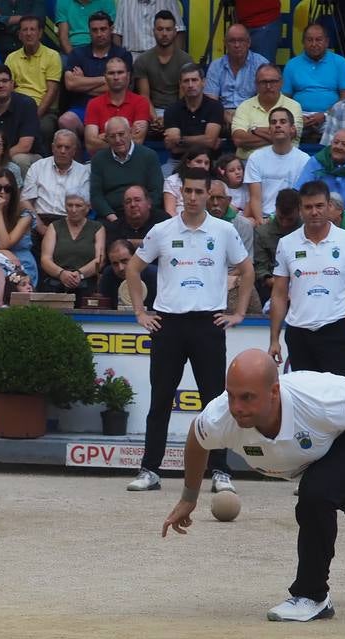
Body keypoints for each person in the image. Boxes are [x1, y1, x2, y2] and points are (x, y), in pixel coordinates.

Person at [159, 348, 345, 622]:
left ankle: (313, 595)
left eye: (247, 397)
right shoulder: (219, 416)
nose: (237, 407)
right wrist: (189, 497)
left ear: (274, 392)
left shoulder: (318, 399)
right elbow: (197, 442)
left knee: (316, 494)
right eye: (232, 396)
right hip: (319, 452)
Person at [124, 168, 252, 494]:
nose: (193, 197)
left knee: (214, 403)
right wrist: (140, 311)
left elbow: (247, 269)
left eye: (199, 191)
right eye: (188, 191)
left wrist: (238, 312)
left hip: (208, 324)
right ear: (181, 192)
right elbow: (133, 268)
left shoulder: (223, 231)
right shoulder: (162, 230)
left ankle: (220, 471)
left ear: (210, 194)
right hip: (168, 324)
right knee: (160, 400)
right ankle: (150, 469)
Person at [268, 179, 345, 377]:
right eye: (308, 207)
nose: (314, 212)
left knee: (342, 399)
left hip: (336, 329)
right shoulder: (286, 243)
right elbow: (279, 294)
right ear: (300, 209)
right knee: (306, 402)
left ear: (329, 206)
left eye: (319, 206)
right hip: (299, 332)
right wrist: (274, 339)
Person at [59, 12, 133, 133]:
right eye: (95, 30)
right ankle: (76, 151)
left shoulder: (123, 54)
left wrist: (82, 83)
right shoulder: (77, 54)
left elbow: (121, 86)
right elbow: (71, 84)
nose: (99, 34)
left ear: (111, 29)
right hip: (83, 107)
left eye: (103, 29)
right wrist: (105, 79)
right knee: (65, 120)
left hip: (113, 108)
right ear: (89, 31)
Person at [281, 24, 345, 140]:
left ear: (327, 42)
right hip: (300, 116)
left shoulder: (340, 62)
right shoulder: (292, 64)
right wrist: (297, 117)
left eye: (318, 40)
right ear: (303, 42)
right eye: (309, 40)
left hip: (330, 116)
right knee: (283, 130)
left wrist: (325, 115)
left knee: (342, 135)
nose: (314, 44)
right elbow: (285, 98)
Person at [90, 117, 164, 223]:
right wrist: (111, 216)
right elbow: (96, 195)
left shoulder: (149, 155)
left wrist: (143, 213)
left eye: (121, 134)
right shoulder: (99, 159)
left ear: (130, 132)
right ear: (106, 138)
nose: (118, 140)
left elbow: (156, 191)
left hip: (144, 214)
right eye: (112, 136)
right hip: (113, 216)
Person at [293, 130, 345, 221]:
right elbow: (300, 192)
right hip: (315, 216)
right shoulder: (316, 161)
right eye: (336, 142)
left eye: (344, 144)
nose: (338, 147)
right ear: (330, 144)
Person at [244, 108, 309, 221]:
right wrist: (261, 223)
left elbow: (302, 198)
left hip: (291, 219)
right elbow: (255, 198)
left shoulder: (304, 160)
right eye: (274, 122)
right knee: (245, 223)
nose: (278, 125)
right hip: (262, 218)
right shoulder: (256, 157)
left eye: (283, 122)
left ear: (292, 129)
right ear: (269, 130)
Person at [228, 64, 303, 160]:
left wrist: (254, 130)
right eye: (263, 82)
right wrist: (279, 136)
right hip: (248, 163)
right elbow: (238, 139)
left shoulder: (294, 106)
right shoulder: (244, 106)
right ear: (256, 84)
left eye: (273, 81)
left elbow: (291, 134)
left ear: (281, 82)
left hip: (284, 162)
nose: (268, 86)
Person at [133, 11, 193, 130]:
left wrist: (169, 118)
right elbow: (144, 96)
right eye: (160, 29)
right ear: (153, 31)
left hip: (179, 110)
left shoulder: (185, 60)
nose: (164, 34)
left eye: (168, 29)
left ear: (175, 32)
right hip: (151, 111)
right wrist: (155, 119)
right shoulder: (142, 60)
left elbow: (184, 97)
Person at [22, 129, 90, 232]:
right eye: (59, 146)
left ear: (74, 150)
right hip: (40, 219)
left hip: (69, 222)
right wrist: (40, 227)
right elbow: (25, 201)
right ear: (53, 148)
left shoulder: (83, 172)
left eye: (67, 147)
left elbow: (85, 205)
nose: (62, 151)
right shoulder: (37, 167)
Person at [38, 193, 103, 298]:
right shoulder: (54, 227)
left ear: (87, 207)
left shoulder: (97, 228)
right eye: (70, 205)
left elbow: (100, 259)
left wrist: (80, 274)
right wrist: (61, 273)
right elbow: (45, 259)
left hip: (86, 282)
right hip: (57, 282)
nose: (73, 210)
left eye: (78, 206)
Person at [4, 16, 60, 138]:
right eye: (25, 30)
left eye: (32, 29)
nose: (28, 34)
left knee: (44, 128)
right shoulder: (11, 58)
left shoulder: (52, 56)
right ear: (19, 34)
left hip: (43, 110)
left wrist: (34, 117)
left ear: (40, 33)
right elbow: (8, 90)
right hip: (17, 109)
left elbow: (52, 91)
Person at [204, 24, 268, 125]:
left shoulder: (261, 64)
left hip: (253, 116)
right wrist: (224, 116)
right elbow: (211, 102)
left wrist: (242, 118)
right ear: (225, 43)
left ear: (249, 42)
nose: (237, 45)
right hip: (222, 116)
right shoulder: (216, 66)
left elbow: (267, 99)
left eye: (241, 40)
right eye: (232, 41)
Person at [84, 56, 152, 151]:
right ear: (105, 77)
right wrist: (128, 133)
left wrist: (105, 136)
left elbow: (138, 140)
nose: (116, 77)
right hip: (102, 161)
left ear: (128, 76)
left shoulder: (141, 102)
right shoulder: (94, 104)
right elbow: (91, 144)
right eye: (111, 73)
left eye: (120, 72)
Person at [164, 63, 226, 165]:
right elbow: (173, 147)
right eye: (186, 81)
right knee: (163, 178)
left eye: (194, 80)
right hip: (179, 161)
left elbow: (210, 141)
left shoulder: (215, 107)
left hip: (209, 162)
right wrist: (203, 141)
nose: (190, 85)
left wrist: (180, 141)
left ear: (203, 82)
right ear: (180, 84)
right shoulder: (171, 110)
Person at [252, 187, 300, 304]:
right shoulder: (263, 233)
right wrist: (278, 285)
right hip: (272, 285)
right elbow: (260, 268)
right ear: (276, 209)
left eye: (290, 219)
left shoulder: (308, 231)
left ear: (299, 210)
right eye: (281, 218)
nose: (284, 223)